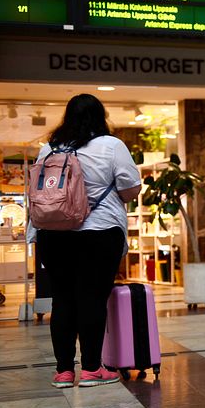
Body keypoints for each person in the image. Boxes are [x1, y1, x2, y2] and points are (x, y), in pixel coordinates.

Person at [30, 94, 142, 388]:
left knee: (63, 299)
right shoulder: (111, 146)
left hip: (52, 234)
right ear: (100, 116)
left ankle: (64, 371)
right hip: (99, 231)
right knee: (92, 298)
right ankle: (92, 368)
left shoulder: (49, 149)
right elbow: (131, 189)